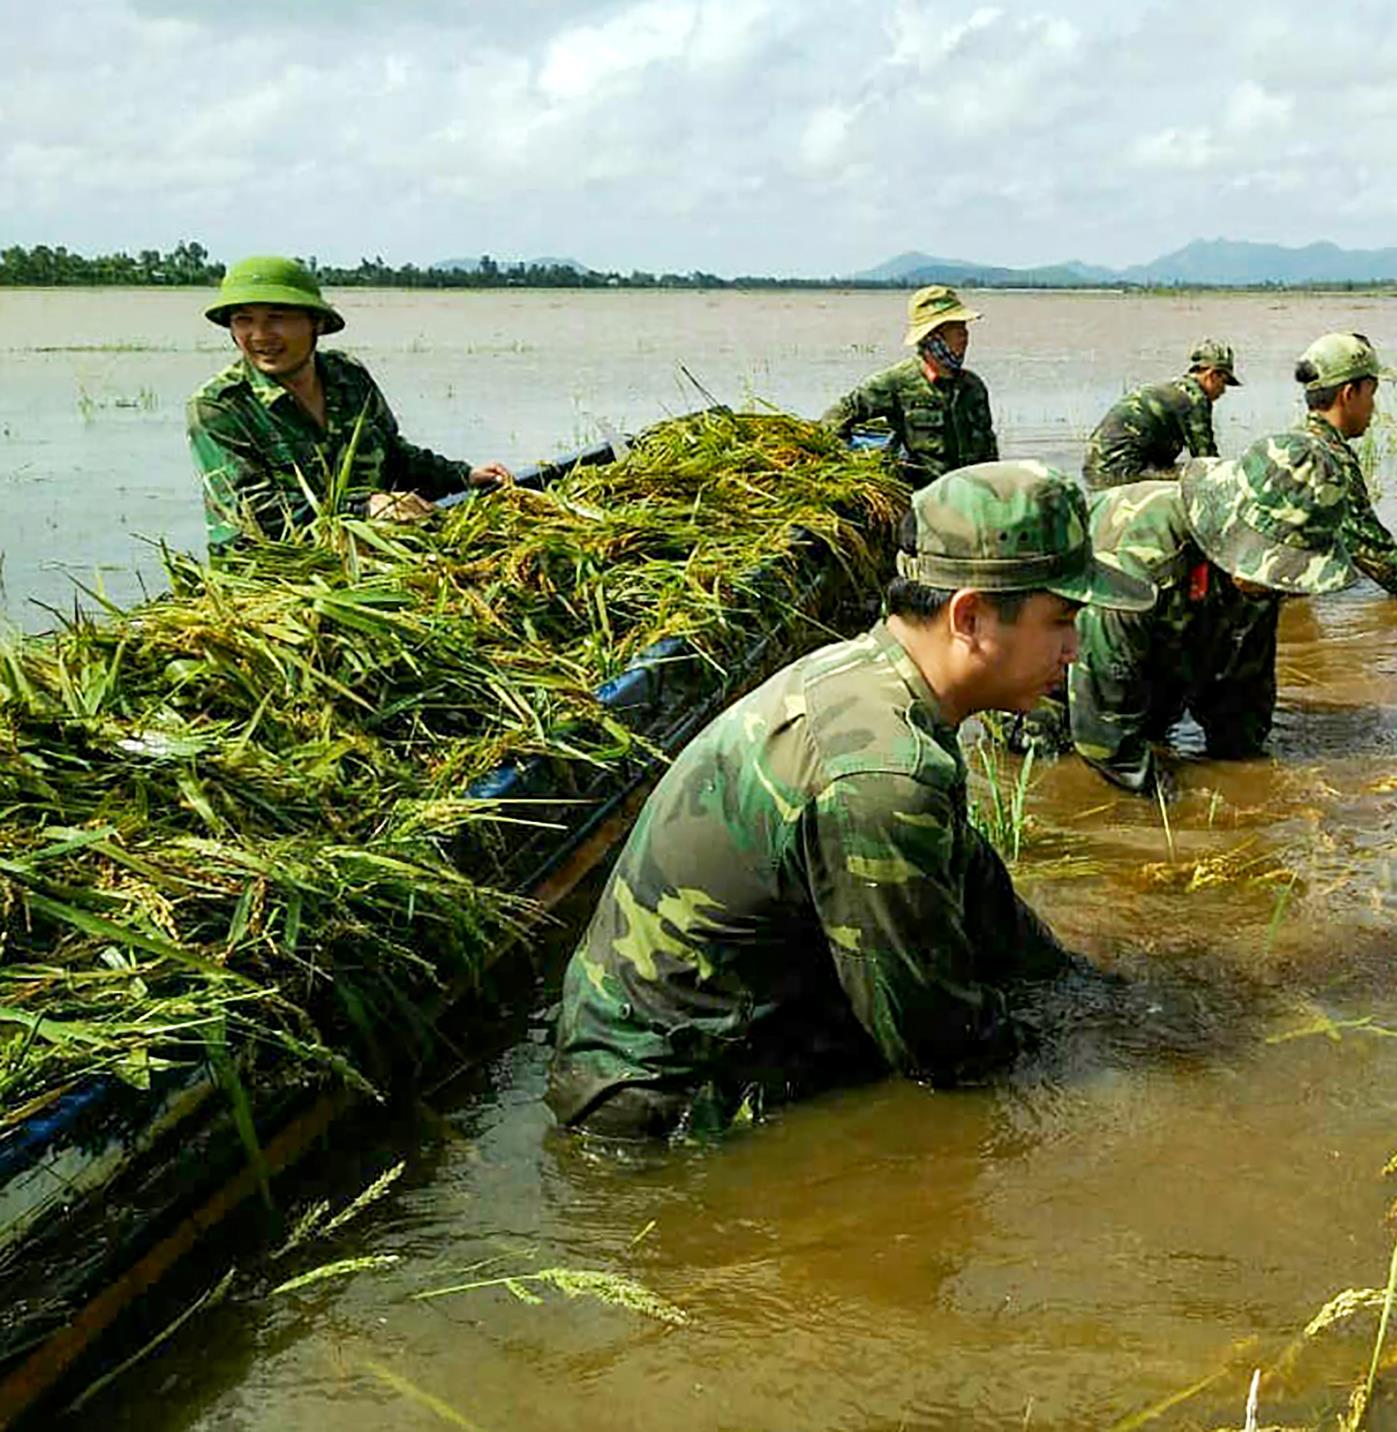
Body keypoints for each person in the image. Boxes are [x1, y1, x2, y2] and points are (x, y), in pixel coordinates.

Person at [545, 461, 1157, 1142]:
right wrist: (1096, 1072)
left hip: (675, 1031)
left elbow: (976, 892)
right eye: (1062, 620)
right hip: (658, 1100)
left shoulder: (872, 683)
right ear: (971, 616)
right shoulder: (881, 775)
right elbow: (940, 1047)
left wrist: (1079, 988)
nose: (1075, 649)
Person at [1059, 453, 1361, 796]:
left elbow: (1245, 685)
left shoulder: (1255, 583)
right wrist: (1184, 806)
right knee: (1062, 768)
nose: (1281, 584)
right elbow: (1102, 733)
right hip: (1051, 685)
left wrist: (1250, 783)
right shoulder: (1142, 557)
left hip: (1148, 667)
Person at [187, 255, 512, 552]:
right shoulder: (220, 406)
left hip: (371, 551)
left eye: (278, 317)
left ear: (316, 323)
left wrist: (462, 475)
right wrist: (364, 507)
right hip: (275, 569)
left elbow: (393, 454)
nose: (260, 335)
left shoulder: (347, 376)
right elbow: (257, 513)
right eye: (244, 320)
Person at [1242, 332, 1397, 603]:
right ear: (1349, 394)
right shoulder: (1329, 460)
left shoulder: (1290, 443)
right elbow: (1374, 553)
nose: (1374, 408)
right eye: (1372, 393)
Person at [821, 285, 998, 486]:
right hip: (925, 501)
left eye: (964, 327)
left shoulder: (973, 387)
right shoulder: (897, 383)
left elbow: (989, 452)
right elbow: (835, 418)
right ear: (933, 337)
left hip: (971, 498)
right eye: (955, 329)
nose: (964, 336)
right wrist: (851, 466)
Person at [1079, 339, 1240, 488]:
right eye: (1224, 382)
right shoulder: (1194, 399)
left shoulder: (1173, 389)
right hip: (1120, 472)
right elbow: (1207, 461)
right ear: (1212, 375)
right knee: (1196, 476)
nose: (1223, 391)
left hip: (1093, 470)